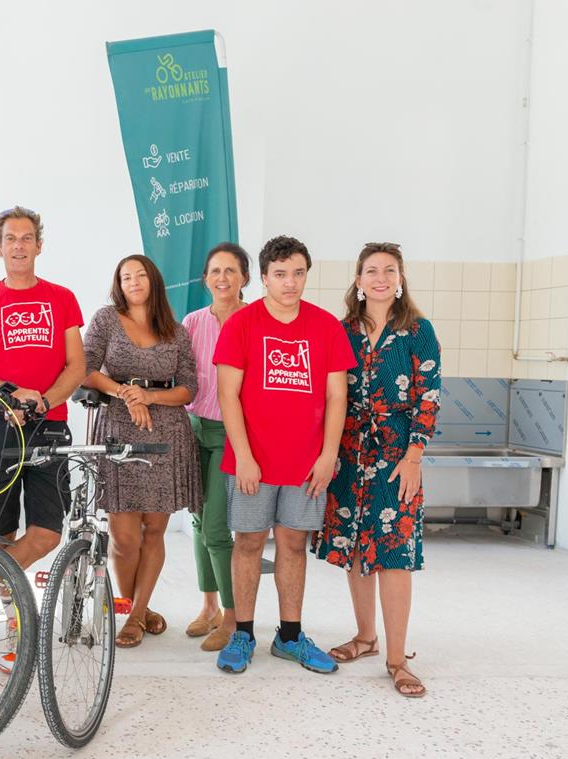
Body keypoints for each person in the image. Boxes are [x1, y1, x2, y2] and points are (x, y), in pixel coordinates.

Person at [213, 235, 356, 675]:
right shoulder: (242, 324)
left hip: (305, 463)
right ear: (263, 278)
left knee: (293, 545)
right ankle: (242, 633)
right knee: (249, 543)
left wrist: (328, 454)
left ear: (306, 275)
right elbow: (227, 395)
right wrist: (245, 455)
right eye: (280, 275)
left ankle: (290, 636)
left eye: (297, 273)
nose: (290, 283)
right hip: (251, 461)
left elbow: (337, 397)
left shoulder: (326, 326)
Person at [313, 242, 440, 697]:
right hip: (348, 452)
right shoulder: (340, 330)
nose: (380, 277)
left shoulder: (418, 330)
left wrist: (413, 457)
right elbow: (328, 395)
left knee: (394, 552)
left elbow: (429, 397)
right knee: (354, 549)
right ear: (359, 280)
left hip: (396, 456)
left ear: (400, 278)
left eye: (389, 270)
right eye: (371, 270)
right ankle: (365, 638)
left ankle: (396, 658)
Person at [0, 206, 86, 572]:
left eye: (26, 238)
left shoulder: (62, 298)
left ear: (39, 246)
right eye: (10, 239)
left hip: (50, 423)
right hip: (0, 423)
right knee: (0, 531)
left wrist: (42, 402)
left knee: (47, 532)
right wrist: (13, 396)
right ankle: (11, 620)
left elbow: (76, 366)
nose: (19, 246)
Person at [81, 255, 199, 648]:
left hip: (166, 431)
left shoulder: (176, 331)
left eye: (140, 274)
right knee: (124, 537)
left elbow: (188, 389)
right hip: (117, 427)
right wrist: (127, 394)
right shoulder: (105, 319)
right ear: (118, 283)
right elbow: (84, 367)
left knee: (155, 530)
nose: (133, 281)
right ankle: (137, 606)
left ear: (154, 281)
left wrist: (149, 396)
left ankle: (133, 616)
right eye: (125, 276)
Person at [182, 243, 250, 652]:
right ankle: (207, 607)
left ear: (244, 277)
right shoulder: (191, 322)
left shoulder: (257, 320)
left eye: (231, 270)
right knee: (196, 519)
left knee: (216, 528)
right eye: (215, 271)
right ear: (205, 278)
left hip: (231, 432)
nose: (222, 278)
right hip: (194, 427)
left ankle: (232, 616)